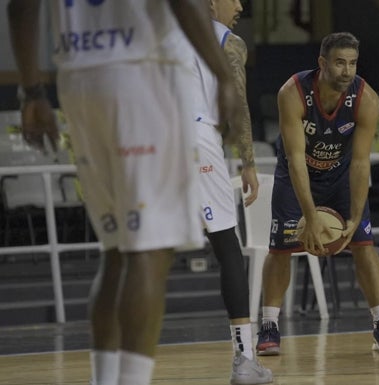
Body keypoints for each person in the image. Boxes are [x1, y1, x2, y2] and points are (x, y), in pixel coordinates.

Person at [7, 1, 237, 385]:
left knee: (116, 250)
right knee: (149, 251)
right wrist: (223, 74)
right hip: (144, 75)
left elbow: (21, 7)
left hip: (79, 81)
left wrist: (31, 91)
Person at [256, 32, 379, 356]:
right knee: (280, 248)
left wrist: (354, 216)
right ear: (322, 63)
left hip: (341, 175)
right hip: (296, 175)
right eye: (339, 63)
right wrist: (309, 216)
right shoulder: (292, 93)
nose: (347, 71)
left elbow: (362, 162)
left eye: (352, 63)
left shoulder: (367, 99)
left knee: (364, 244)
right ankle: (269, 325)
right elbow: (295, 160)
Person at [188, 0, 271, 383]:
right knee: (227, 246)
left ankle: (111, 368)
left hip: (149, 140)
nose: (239, 5)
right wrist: (249, 161)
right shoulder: (228, 40)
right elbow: (236, 103)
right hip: (196, 138)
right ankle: (244, 360)